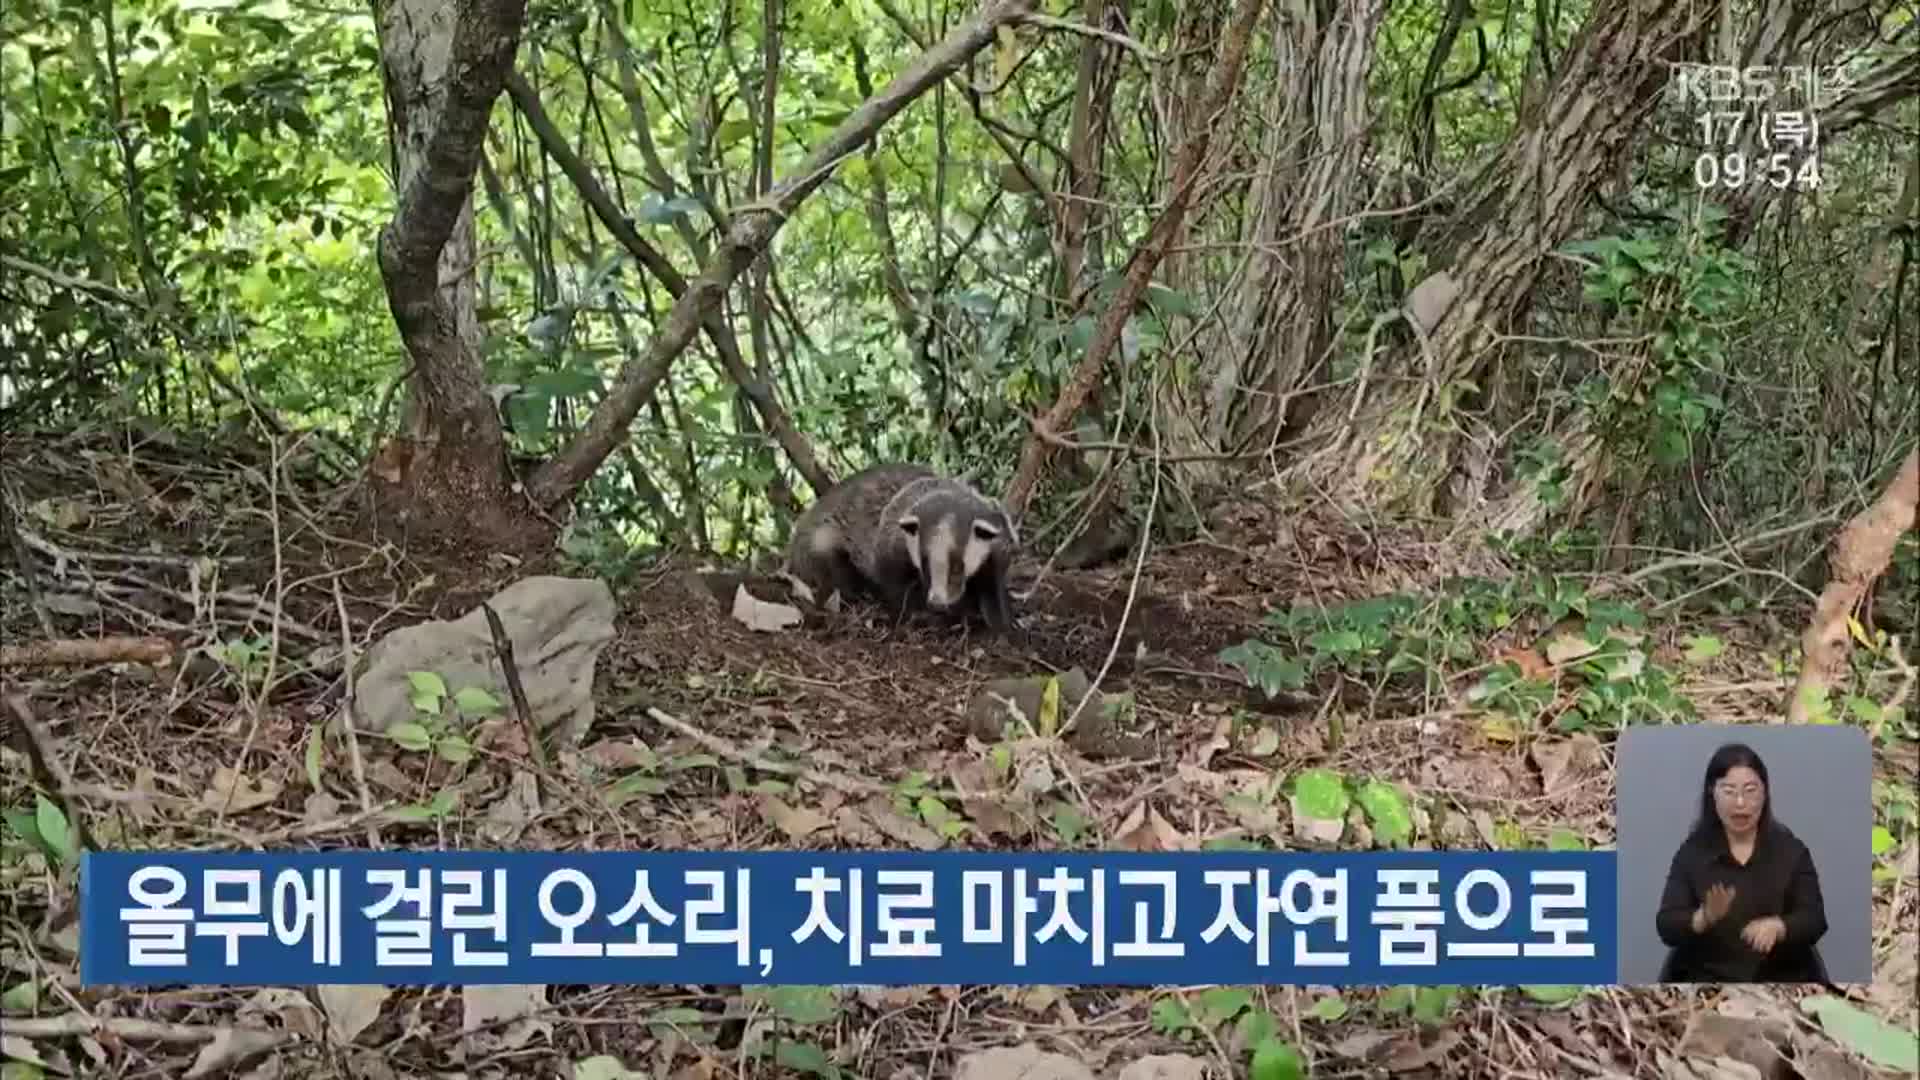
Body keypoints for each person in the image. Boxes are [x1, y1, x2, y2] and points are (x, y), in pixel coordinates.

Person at [1654, 742, 1830, 983]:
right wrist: (1702, 918)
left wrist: (1779, 927)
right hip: (1707, 980)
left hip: (1781, 979)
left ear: (1765, 793)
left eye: (1750, 790)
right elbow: (1666, 925)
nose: (1740, 802)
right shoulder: (1692, 854)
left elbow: (1814, 919)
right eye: (1728, 791)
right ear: (1711, 793)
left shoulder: (1791, 851)